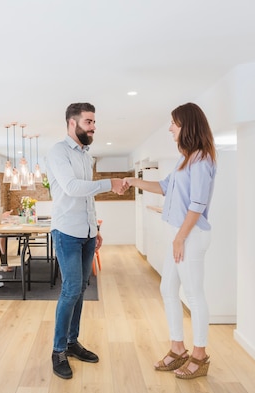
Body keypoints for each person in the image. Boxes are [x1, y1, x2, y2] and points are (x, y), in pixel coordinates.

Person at [125, 102, 216, 379]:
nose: (170, 128)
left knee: (194, 295)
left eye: (174, 124)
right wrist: (133, 181)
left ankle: (200, 356)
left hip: (191, 235)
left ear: (187, 125)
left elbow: (198, 204)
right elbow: (164, 187)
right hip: (181, 234)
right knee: (168, 289)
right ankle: (178, 348)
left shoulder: (201, 159)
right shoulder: (185, 159)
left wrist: (179, 238)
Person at [46, 102, 127, 379]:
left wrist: (95, 228)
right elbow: (71, 188)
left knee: (80, 290)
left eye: (94, 122)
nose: (93, 127)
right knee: (70, 290)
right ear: (73, 123)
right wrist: (109, 183)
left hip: (87, 233)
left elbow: (86, 197)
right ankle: (57, 351)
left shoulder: (85, 154)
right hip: (67, 232)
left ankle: (71, 342)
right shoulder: (58, 152)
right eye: (89, 122)